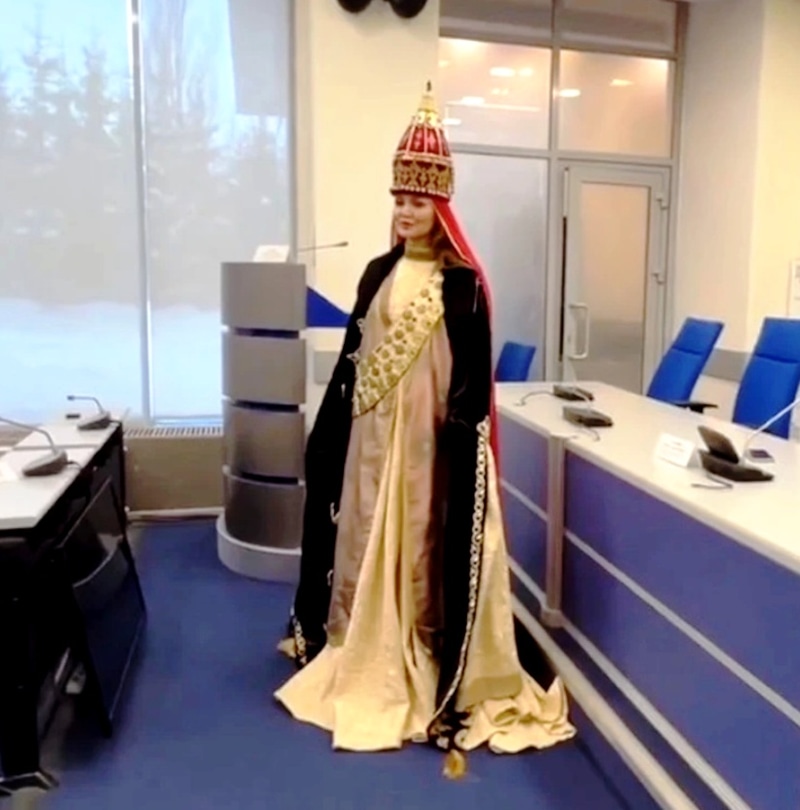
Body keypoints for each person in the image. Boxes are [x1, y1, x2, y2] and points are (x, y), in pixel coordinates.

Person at [275, 84, 574, 771]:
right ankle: (355, 639)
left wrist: (458, 437)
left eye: (417, 200)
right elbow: (354, 359)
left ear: (440, 206)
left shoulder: (462, 282)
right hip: (370, 441)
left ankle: (419, 647)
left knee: (417, 545)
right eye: (399, 200)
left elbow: (471, 375)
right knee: (360, 532)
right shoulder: (376, 273)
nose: (405, 211)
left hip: (425, 448)